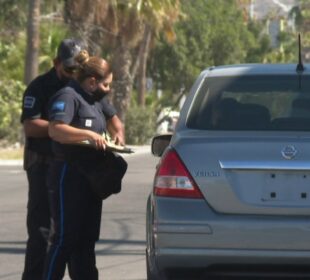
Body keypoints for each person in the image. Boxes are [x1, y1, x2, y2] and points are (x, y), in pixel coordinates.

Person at [43, 50, 126, 280]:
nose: (108, 90)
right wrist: (88, 135)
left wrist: (115, 139)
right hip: (68, 176)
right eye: (106, 85)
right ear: (92, 82)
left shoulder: (96, 101)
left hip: (90, 177)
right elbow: (55, 129)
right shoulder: (68, 96)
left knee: (86, 239)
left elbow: (113, 124)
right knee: (65, 239)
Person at [20, 38, 87, 280]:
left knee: (72, 232)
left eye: (78, 69)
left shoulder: (84, 86)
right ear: (56, 63)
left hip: (71, 166)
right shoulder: (39, 86)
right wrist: (60, 128)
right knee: (42, 230)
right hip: (43, 163)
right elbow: (30, 125)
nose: (73, 74)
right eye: (69, 69)